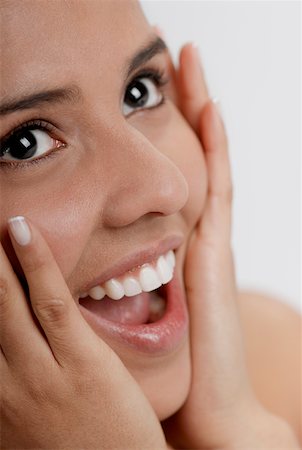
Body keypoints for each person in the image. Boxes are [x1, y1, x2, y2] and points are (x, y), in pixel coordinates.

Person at [0, 0, 300, 448]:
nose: (165, 187)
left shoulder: (274, 362)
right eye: (25, 144)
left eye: (139, 91)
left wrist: (242, 431)